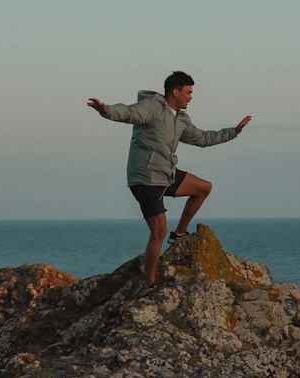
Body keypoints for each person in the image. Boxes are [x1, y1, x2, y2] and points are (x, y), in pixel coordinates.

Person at [87, 71, 251, 289]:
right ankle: (149, 285)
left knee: (203, 188)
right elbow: (129, 113)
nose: (191, 97)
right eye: (188, 92)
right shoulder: (152, 108)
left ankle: (180, 233)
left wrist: (233, 132)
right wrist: (106, 110)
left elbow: (203, 138)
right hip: (145, 178)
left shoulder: (181, 119)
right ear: (175, 92)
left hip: (166, 174)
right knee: (158, 232)